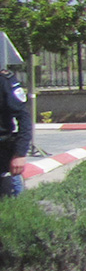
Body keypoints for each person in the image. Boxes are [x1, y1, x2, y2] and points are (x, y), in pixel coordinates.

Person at [0, 66, 33, 197]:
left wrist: (20, 153)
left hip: (3, 157)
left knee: (13, 209)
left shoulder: (4, 80)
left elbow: (24, 118)